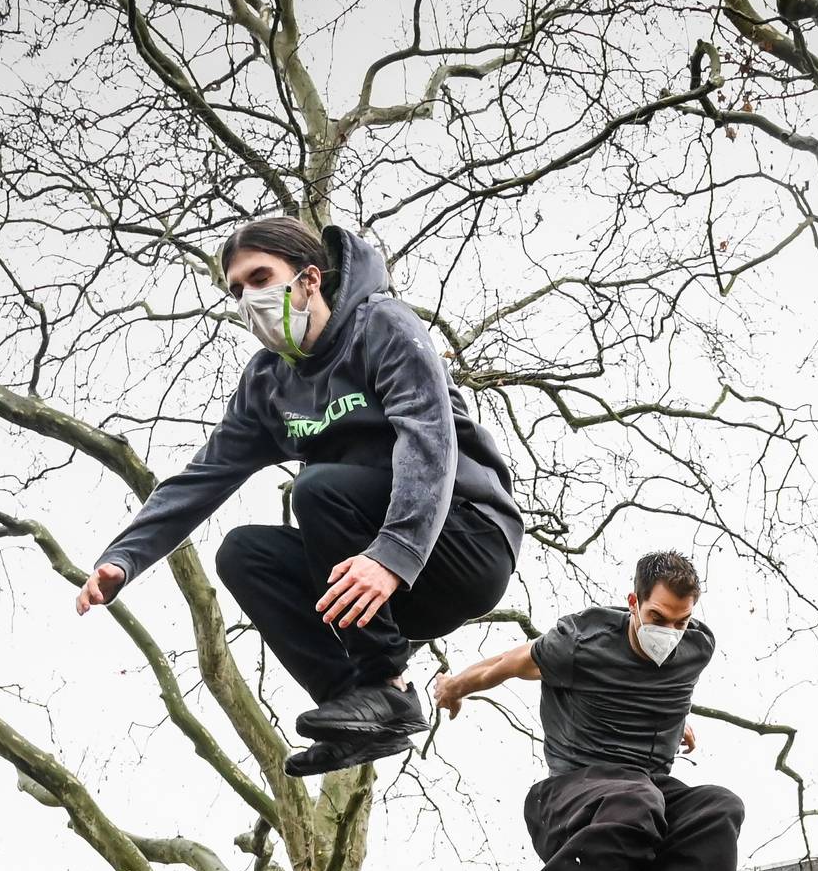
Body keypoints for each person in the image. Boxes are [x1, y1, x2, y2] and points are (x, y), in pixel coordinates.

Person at [76, 218, 523, 776]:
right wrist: (124, 557)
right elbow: (202, 478)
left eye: (261, 278)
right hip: (394, 589)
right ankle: (361, 705)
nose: (249, 299)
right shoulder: (268, 383)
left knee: (316, 489)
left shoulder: (381, 325)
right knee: (243, 553)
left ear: (309, 279)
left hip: (466, 542)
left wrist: (393, 553)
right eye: (236, 290)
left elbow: (429, 437)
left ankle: (382, 676)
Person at [432, 551, 743, 871]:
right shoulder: (582, 642)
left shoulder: (697, 647)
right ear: (633, 602)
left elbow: (663, 690)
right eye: (658, 617)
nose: (670, 635)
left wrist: (680, 722)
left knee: (719, 808)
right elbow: (508, 663)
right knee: (638, 800)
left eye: (681, 623)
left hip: (649, 790)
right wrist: (453, 687)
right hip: (571, 796)